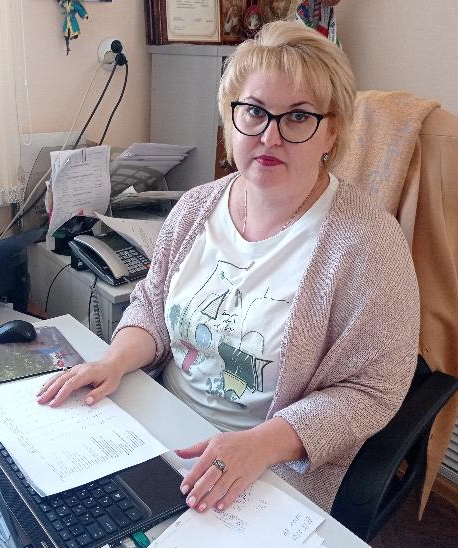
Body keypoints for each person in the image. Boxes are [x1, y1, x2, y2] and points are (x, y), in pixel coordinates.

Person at [38, 21, 419, 514]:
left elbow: (371, 391)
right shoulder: (196, 208)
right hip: (162, 422)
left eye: (297, 117)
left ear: (332, 131)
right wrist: (113, 361)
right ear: (230, 119)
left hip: (267, 465)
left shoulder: (369, 245)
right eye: (255, 112)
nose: (269, 136)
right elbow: (151, 307)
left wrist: (260, 444)